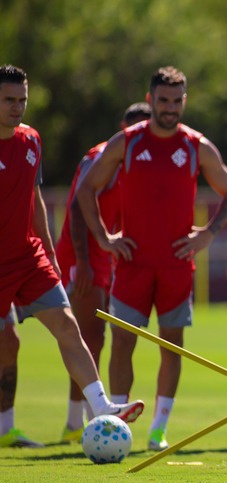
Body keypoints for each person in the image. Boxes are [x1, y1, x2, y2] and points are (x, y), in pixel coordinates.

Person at [76, 66, 227, 452]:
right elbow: (87, 189)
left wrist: (209, 234)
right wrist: (104, 237)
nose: (170, 107)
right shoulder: (128, 142)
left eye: (177, 100)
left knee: (173, 346)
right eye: (163, 100)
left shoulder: (196, 145)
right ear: (150, 100)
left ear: (185, 101)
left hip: (176, 266)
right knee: (122, 344)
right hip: (132, 263)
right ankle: (117, 425)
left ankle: (158, 430)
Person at [0, 64, 145, 448]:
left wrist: (47, 248)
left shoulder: (31, 140)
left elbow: (34, 200)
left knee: (67, 326)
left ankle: (102, 409)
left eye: (22, 100)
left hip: (28, 258)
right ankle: (5, 428)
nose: (18, 108)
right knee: (7, 344)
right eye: (9, 100)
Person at [56, 102, 152, 443]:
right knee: (89, 338)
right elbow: (78, 211)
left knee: (92, 339)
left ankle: (76, 422)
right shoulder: (101, 157)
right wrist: (82, 262)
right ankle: (78, 422)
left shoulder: (144, 160)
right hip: (84, 253)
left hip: (109, 253)